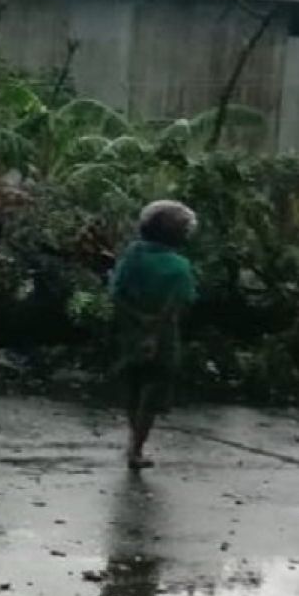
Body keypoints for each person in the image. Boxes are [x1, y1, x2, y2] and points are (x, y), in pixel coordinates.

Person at [110, 200, 198, 471]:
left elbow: (116, 293)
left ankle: (132, 441)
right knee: (153, 389)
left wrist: (138, 319)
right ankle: (136, 448)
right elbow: (178, 305)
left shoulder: (132, 256)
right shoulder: (179, 267)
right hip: (163, 334)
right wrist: (155, 328)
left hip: (128, 329)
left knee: (133, 385)